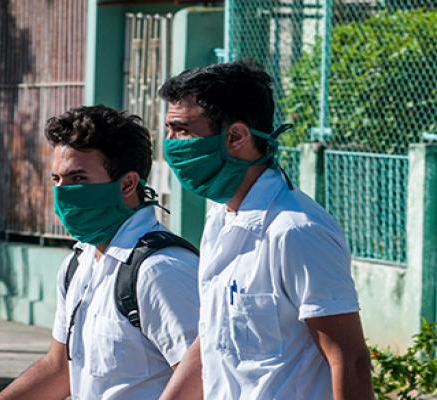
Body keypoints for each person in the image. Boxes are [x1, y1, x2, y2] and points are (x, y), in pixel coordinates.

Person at [157, 61, 373, 400]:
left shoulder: (296, 231)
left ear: (236, 136)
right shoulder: (220, 219)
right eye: (168, 130)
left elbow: (349, 359)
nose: (170, 145)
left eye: (182, 130)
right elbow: (212, 339)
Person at [0, 105, 200, 400]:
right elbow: (59, 369)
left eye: (79, 179)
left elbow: (206, 378)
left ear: (127, 184)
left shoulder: (161, 270)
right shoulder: (78, 264)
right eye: (57, 179)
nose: (63, 192)